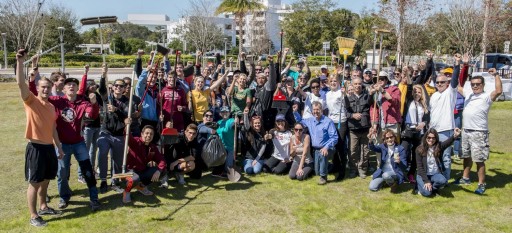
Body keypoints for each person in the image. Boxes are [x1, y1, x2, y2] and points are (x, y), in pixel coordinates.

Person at [16, 50, 64, 227]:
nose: (45, 89)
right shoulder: (31, 101)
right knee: (35, 183)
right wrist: (20, 62)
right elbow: (21, 84)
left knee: (45, 181)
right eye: (42, 86)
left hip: (49, 148)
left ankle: (43, 206)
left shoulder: (51, 107)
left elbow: (52, 128)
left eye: (47, 87)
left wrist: (58, 146)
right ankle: (33, 215)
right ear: (38, 88)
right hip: (35, 148)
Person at [48, 73, 101, 211]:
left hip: (78, 143)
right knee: (62, 173)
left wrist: (94, 103)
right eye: (68, 84)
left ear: (77, 88)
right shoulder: (57, 101)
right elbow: (38, 95)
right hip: (62, 144)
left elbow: (92, 115)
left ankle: (94, 198)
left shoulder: (83, 103)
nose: (71, 86)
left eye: (74, 85)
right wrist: (31, 79)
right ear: (63, 89)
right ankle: (64, 197)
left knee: (88, 171)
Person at [453, 68, 502, 195]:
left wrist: (496, 75)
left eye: (477, 84)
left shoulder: (486, 97)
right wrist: (458, 67)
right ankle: (465, 178)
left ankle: (481, 183)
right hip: (466, 131)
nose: (475, 86)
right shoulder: (469, 95)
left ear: (483, 85)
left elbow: (498, 91)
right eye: (473, 84)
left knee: (479, 159)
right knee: (466, 156)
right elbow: (457, 86)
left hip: (479, 132)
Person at [97, 69, 134, 194]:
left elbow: (126, 116)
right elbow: (101, 89)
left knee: (117, 160)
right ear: (112, 87)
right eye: (116, 85)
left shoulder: (127, 102)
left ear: (124, 89)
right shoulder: (107, 98)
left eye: (121, 86)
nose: (118, 87)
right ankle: (103, 180)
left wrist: (116, 110)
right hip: (106, 132)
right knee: (102, 154)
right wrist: (103, 75)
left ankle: (114, 181)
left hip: (119, 135)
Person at [429, 54, 461, 180]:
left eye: (443, 82)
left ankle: (445, 179)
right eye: (438, 82)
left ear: (447, 83)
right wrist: (430, 60)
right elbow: (432, 75)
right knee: (434, 155)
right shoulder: (434, 95)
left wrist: (457, 64)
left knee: (446, 156)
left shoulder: (450, 92)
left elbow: (455, 79)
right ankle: (437, 176)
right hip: (433, 130)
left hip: (446, 130)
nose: (440, 84)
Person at [123, 125, 167, 203]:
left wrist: (159, 171)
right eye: (147, 133)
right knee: (134, 179)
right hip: (130, 171)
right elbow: (128, 137)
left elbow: (161, 160)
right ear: (142, 134)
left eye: (151, 134)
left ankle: (141, 187)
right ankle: (126, 191)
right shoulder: (135, 142)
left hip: (142, 171)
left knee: (163, 171)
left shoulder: (152, 147)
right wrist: (127, 126)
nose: (149, 135)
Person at [301, 101, 338, 185]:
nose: (316, 111)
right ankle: (331, 166)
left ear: (321, 110)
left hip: (328, 148)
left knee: (323, 155)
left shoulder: (328, 121)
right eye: (314, 109)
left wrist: (326, 147)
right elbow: (300, 121)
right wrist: (295, 112)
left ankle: (323, 177)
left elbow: (334, 137)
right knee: (317, 171)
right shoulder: (310, 120)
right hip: (316, 149)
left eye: (318, 109)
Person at [416, 128, 461, 197]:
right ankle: (420, 187)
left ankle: (432, 188)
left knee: (443, 181)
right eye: (429, 137)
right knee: (427, 193)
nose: (431, 140)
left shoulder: (438, 146)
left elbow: (448, 142)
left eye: (433, 138)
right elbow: (420, 167)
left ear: (436, 138)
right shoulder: (419, 149)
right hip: (422, 175)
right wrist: (426, 181)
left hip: (435, 174)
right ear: (425, 138)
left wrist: (455, 135)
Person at [400, 84, 430, 184]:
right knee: (403, 152)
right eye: (415, 91)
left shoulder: (424, 104)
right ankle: (401, 173)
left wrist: (423, 123)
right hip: (408, 131)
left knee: (417, 154)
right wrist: (407, 73)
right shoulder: (409, 101)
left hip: (419, 133)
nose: (417, 94)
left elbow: (427, 117)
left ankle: (411, 173)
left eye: (419, 92)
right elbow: (409, 86)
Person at [345, 78, 374, 179]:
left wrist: (371, 94)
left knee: (365, 151)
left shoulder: (367, 96)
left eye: (359, 84)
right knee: (352, 151)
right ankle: (353, 169)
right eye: (355, 84)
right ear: (352, 85)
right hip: (353, 129)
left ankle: (362, 169)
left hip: (365, 128)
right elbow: (345, 112)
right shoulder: (348, 98)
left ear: (362, 85)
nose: (357, 86)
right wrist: (352, 115)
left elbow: (371, 104)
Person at [325, 74, 349, 181]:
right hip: (331, 122)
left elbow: (347, 104)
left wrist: (345, 94)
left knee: (340, 146)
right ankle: (336, 166)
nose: (333, 83)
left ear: (339, 82)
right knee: (332, 145)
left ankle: (342, 170)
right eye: (331, 81)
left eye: (335, 81)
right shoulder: (327, 94)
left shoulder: (341, 93)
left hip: (341, 122)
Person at [250, 54, 277, 131]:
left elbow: (272, 79)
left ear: (265, 79)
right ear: (256, 79)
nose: (260, 80)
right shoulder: (254, 89)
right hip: (255, 118)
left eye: (263, 78)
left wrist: (271, 64)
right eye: (259, 78)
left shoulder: (267, 87)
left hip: (266, 118)